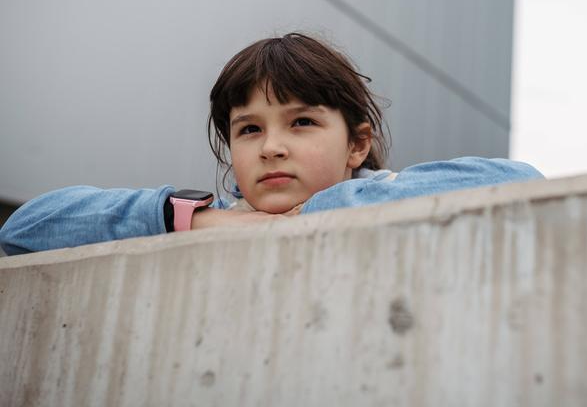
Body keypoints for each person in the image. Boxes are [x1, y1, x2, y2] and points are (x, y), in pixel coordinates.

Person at [0, 33, 543, 256]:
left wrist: (321, 209)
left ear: (357, 145)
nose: (271, 147)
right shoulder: (214, 218)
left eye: (301, 122)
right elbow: (22, 232)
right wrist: (196, 218)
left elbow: (518, 181)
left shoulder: (393, 195)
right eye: (250, 129)